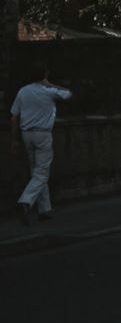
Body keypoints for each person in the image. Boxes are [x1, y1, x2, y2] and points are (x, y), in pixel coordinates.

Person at [10, 62, 72, 226]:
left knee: (35, 170)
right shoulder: (48, 91)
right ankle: (25, 201)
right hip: (42, 133)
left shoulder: (23, 91)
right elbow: (68, 93)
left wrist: (15, 140)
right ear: (44, 75)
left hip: (26, 134)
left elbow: (14, 116)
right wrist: (49, 83)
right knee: (42, 172)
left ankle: (44, 209)